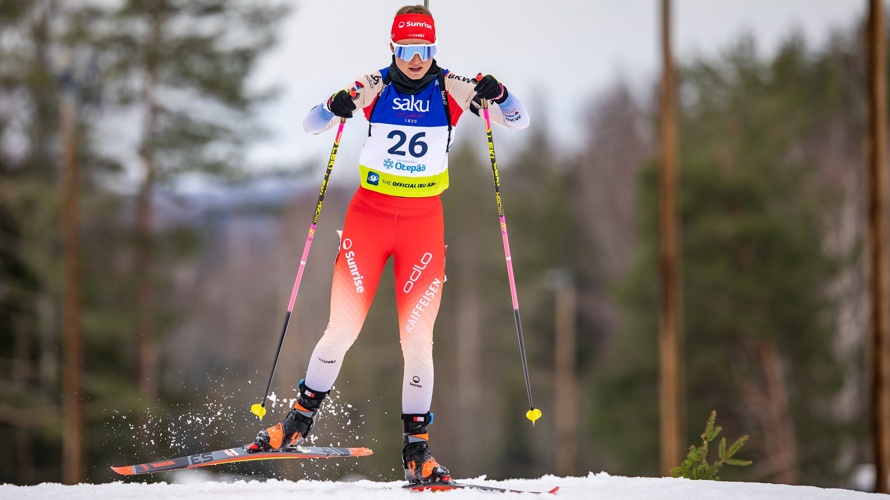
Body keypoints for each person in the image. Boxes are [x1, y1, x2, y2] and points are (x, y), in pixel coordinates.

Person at [247, 4, 530, 485]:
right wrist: (335, 103)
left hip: (423, 226)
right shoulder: (373, 86)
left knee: (418, 341)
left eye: (425, 49)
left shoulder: (453, 87)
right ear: (393, 48)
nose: (416, 59)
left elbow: (517, 120)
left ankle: (417, 452)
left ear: (434, 48)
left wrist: (499, 93)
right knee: (341, 329)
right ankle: (296, 424)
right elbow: (312, 124)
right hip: (369, 220)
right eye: (407, 49)